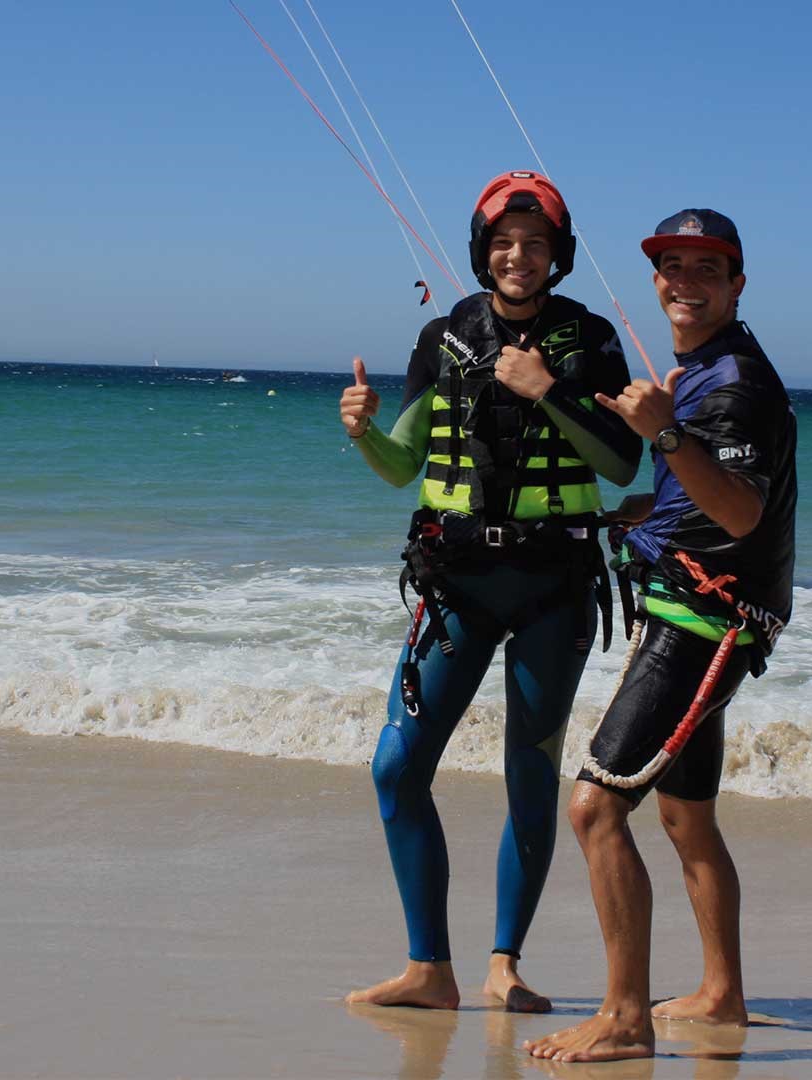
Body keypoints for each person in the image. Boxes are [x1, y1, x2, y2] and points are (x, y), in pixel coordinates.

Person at [337, 171, 642, 1012]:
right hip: (457, 583)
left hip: (554, 587)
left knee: (529, 777)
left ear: (558, 255)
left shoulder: (590, 341)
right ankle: (428, 969)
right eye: (504, 243)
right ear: (483, 251)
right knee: (396, 768)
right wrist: (363, 431)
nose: (519, 256)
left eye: (535, 243)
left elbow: (623, 461)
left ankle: (505, 962)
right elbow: (404, 467)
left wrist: (550, 390)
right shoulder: (445, 338)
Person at [525, 208, 797, 1061]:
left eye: (706, 269)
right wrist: (652, 505)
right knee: (686, 819)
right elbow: (707, 490)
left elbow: (744, 511)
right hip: (702, 615)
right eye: (671, 267)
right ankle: (721, 996)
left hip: (699, 626)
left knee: (596, 807)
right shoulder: (706, 369)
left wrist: (664, 435)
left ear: (737, 283)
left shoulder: (734, 382)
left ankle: (624, 1018)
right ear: (656, 282)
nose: (686, 282)